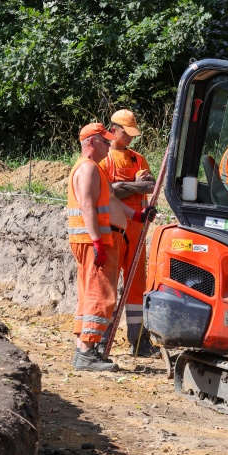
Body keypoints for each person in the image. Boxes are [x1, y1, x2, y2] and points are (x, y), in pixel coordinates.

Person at [68, 122, 153, 371]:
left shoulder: (94, 169)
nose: (108, 145)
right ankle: (87, 353)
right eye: (104, 141)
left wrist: (137, 216)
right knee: (100, 295)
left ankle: (84, 348)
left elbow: (111, 200)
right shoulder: (88, 169)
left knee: (91, 293)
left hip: (99, 239)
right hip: (97, 240)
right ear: (92, 142)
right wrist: (98, 241)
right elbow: (87, 206)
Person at [101, 109, 158, 357]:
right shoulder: (103, 159)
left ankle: (138, 342)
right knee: (109, 286)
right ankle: (102, 340)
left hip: (137, 229)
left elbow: (150, 185)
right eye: (127, 133)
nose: (131, 138)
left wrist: (125, 186)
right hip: (114, 230)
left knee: (137, 286)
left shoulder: (138, 159)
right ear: (113, 129)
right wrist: (131, 186)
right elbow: (108, 192)